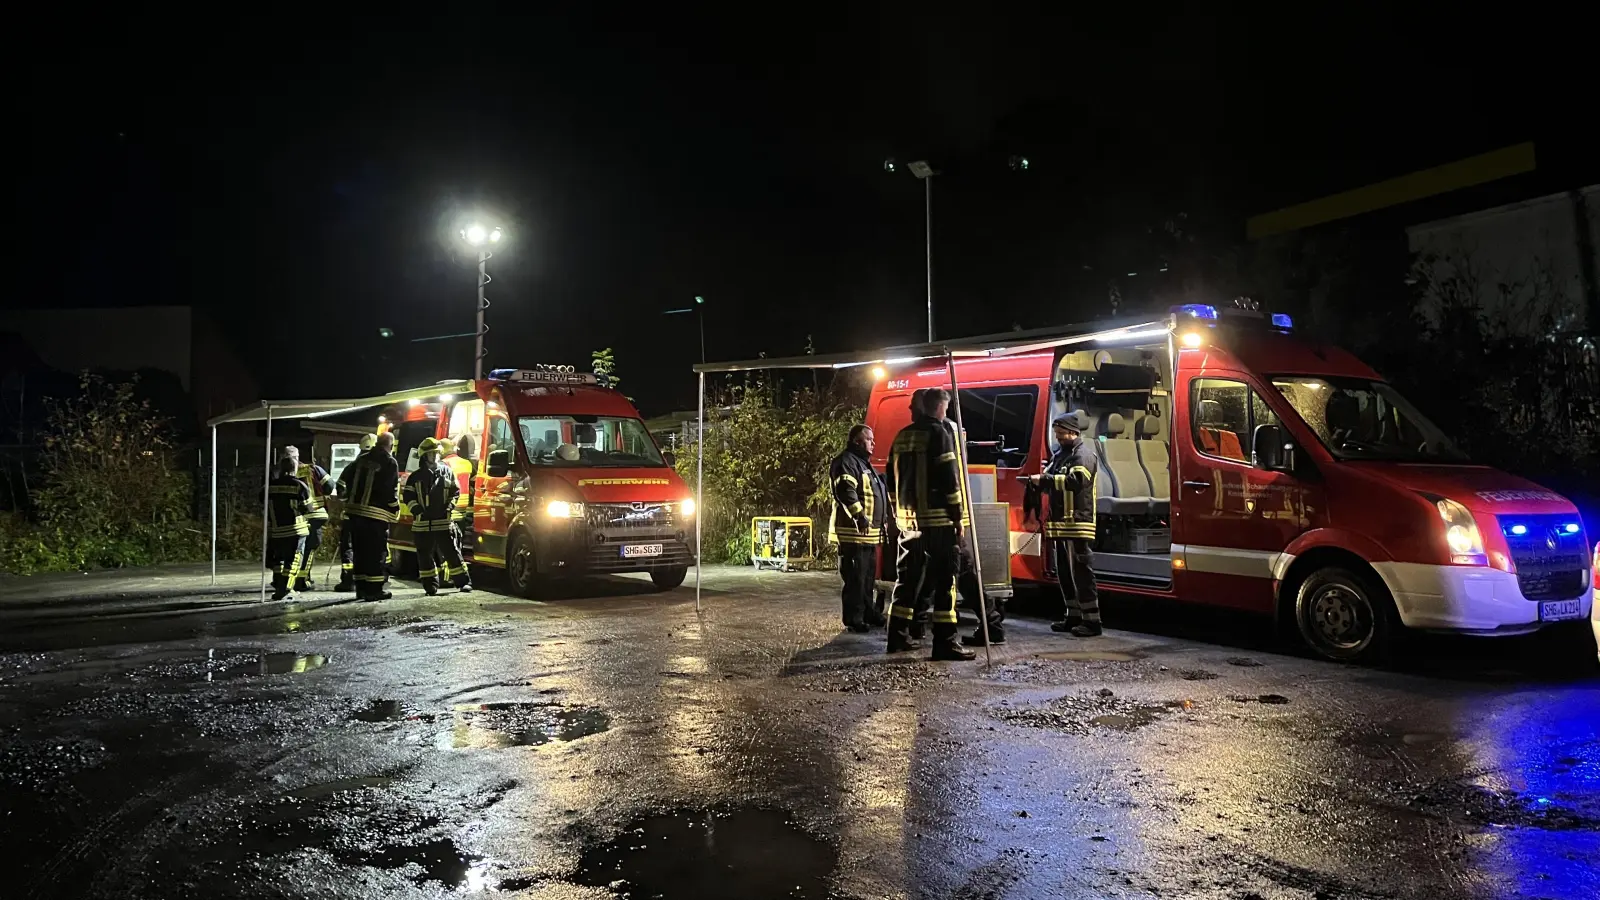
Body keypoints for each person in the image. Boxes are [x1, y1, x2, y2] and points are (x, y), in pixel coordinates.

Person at [885, 388, 977, 662]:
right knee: (946, 581)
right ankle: (945, 642)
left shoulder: (902, 436)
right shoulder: (940, 433)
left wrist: (897, 513)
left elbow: (890, 479)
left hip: (908, 522)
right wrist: (957, 517)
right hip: (939, 521)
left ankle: (897, 636)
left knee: (907, 580)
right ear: (939, 407)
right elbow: (949, 478)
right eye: (945, 409)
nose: (946, 413)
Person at [1026, 411, 1102, 637]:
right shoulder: (1061, 455)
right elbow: (1051, 477)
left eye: (1060, 433)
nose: (1057, 437)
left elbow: (1077, 481)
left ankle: (1092, 622)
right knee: (1065, 573)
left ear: (1073, 432)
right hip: (1061, 524)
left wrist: (1045, 480)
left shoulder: (1083, 455)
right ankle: (1073, 616)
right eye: (1056, 433)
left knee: (1081, 572)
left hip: (1077, 523)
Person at [829, 424, 887, 632]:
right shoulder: (847, 462)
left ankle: (868, 612)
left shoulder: (863, 463)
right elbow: (846, 491)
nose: (873, 443)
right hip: (854, 533)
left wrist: (884, 519)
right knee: (856, 578)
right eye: (869, 439)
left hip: (867, 535)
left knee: (867, 578)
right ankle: (854, 618)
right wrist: (859, 517)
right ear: (856, 441)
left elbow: (876, 493)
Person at [402, 437, 473, 595]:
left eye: (436, 453)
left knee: (452, 553)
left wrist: (449, 508)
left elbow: (455, 492)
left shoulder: (447, 472)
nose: (434, 456)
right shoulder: (415, 477)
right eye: (430, 453)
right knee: (425, 556)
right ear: (424, 456)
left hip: (443, 522)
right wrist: (418, 511)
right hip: (422, 524)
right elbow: (408, 497)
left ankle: (463, 582)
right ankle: (430, 586)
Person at [341, 431, 401, 601]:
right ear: (390, 445)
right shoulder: (390, 462)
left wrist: (348, 499)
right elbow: (391, 490)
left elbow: (344, 481)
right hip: (376, 515)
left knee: (359, 552)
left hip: (354, 514)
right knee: (376, 553)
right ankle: (374, 590)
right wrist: (394, 509)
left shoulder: (360, 459)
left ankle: (361, 589)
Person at [282, 445, 337, 592]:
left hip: (292, 518)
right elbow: (330, 485)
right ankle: (302, 579)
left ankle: (286, 579)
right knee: (310, 547)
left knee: (293, 548)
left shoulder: (280, 474)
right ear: (298, 457)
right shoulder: (313, 469)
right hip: (315, 514)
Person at [333, 433, 378, 592]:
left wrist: (348, 501)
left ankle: (348, 581)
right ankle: (370, 581)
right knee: (369, 548)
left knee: (349, 548)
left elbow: (340, 490)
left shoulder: (351, 467)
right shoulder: (380, 467)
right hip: (373, 517)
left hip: (351, 516)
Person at [265, 455, 311, 602]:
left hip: (276, 530)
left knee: (279, 560)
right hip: (296, 529)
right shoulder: (300, 485)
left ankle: (279, 585)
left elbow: (263, 503)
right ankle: (286, 589)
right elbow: (308, 508)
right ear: (294, 468)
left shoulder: (269, 486)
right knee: (294, 560)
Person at [440, 434, 478, 556]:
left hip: (449, 508)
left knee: (446, 544)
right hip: (463, 508)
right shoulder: (466, 463)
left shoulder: (443, 464)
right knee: (458, 540)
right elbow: (474, 479)